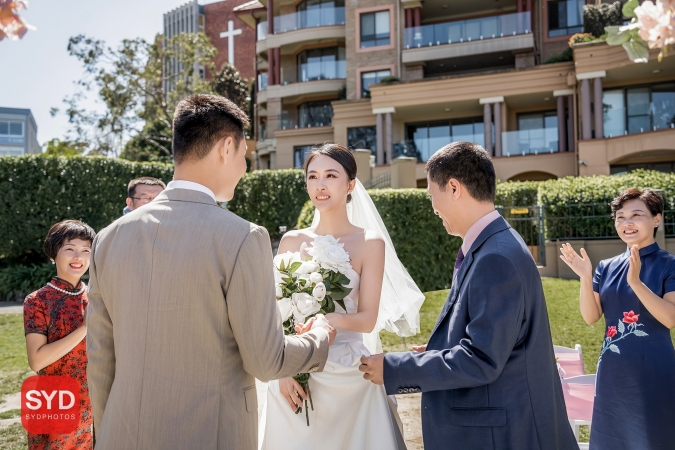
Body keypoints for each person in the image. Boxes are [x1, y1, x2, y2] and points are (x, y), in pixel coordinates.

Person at [86, 94, 335, 450]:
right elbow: (266, 360)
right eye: (245, 155)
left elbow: (99, 359)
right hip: (211, 435)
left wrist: (107, 434)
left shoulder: (108, 238)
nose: (245, 168)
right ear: (226, 146)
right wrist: (320, 337)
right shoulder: (242, 237)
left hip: (121, 435)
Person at [360, 142, 578, 450]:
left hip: (502, 435)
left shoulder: (496, 258)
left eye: (431, 194)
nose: (432, 206)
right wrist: (437, 350)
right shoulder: (494, 244)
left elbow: (482, 360)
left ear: (453, 187)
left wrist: (396, 368)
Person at [260, 144, 423, 450]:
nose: (320, 185)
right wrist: (282, 372)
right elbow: (274, 314)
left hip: (348, 373)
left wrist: (328, 320)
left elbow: (367, 319)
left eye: (331, 175)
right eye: (313, 176)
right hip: (292, 372)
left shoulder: (369, 242)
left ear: (350, 185)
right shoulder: (291, 240)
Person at [559, 188, 675, 450]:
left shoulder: (669, 264)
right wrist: (585, 277)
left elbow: (670, 318)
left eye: (636, 215)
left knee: (655, 439)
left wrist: (635, 282)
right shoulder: (606, 267)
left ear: (657, 219)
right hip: (613, 373)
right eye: (620, 217)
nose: (627, 223)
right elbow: (591, 317)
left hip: (655, 372)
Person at [23, 220, 97, 450]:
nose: (78, 256)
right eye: (70, 249)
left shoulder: (97, 297)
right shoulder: (37, 301)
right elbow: (37, 360)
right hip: (56, 400)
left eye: (86, 250)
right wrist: (85, 328)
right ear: (53, 254)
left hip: (96, 399)